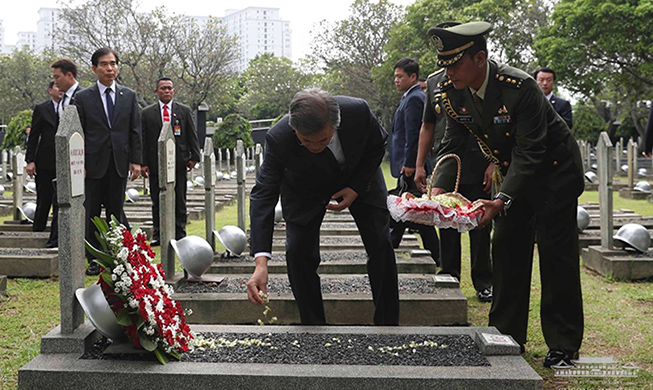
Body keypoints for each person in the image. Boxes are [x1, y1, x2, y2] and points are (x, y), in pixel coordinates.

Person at [427, 21, 584, 368]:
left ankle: (563, 344)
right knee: (507, 249)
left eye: (454, 63)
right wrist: (439, 185)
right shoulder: (453, 90)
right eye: (444, 64)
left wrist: (500, 200)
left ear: (479, 58)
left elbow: (531, 151)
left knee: (556, 257)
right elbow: (454, 139)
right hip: (514, 174)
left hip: (554, 173)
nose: (447, 71)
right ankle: (506, 334)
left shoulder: (519, 87)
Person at [246, 88, 400, 325]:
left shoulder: (357, 111)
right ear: (294, 129)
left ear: (335, 125)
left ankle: (388, 322)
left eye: (323, 139)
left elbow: (377, 144)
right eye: (306, 141)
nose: (316, 146)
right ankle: (313, 324)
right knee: (298, 252)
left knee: (381, 242)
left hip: (360, 175)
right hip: (304, 187)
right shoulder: (279, 138)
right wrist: (260, 263)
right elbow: (263, 195)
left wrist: (356, 187)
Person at [414, 25, 493, 303]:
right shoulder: (437, 81)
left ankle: (483, 281)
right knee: (446, 222)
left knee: (480, 224)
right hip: (449, 162)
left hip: (482, 160)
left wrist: (493, 163)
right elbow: (428, 125)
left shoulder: (483, 77)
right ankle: (449, 275)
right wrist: (421, 164)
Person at [74, 47, 142, 276]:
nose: (109, 68)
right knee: (92, 213)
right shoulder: (83, 97)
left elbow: (135, 131)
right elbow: (79, 132)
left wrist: (136, 161)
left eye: (113, 63)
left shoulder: (129, 96)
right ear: (94, 68)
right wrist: (79, 164)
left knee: (116, 211)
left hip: (118, 162)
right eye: (104, 64)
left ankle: (118, 255)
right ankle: (93, 259)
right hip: (92, 165)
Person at [389, 57, 440, 267]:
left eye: (400, 76)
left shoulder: (415, 98)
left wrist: (411, 163)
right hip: (406, 163)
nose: (396, 80)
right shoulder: (408, 97)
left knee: (414, 210)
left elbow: (414, 134)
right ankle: (391, 243)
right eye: (395, 77)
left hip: (410, 165)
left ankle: (390, 244)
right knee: (413, 210)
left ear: (413, 77)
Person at [141, 77, 200, 245]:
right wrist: (143, 162)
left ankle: (180, 233)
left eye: (169, 88)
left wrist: (194, 156)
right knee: (157, 200)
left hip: (179, 162)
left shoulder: (183, 110)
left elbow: (191, 135)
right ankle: (159, 234)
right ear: (156, 91)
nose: (167, 91)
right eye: (163, 88)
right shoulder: (146, 113)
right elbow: (143, 139)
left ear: (173, 91)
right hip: (155, 164)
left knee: (179, 199)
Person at [42, 58, 85, 248]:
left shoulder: (84, 97)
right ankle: (57, 239)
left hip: (79, 161)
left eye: (57, 77)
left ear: (69, 75)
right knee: (59, 200)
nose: (55, 81)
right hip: (63, 161)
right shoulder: (61, 101)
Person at [25, 82, 61, 237]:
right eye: (56, 87)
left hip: (64, 162)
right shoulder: (41, 109)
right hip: (45, 161)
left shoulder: (72, 106)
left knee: (60, 202)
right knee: (44, 198)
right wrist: (30, 160)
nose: (60, 90)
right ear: (50, 90)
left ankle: (58, 234)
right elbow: (34, 136)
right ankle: (38, 231)